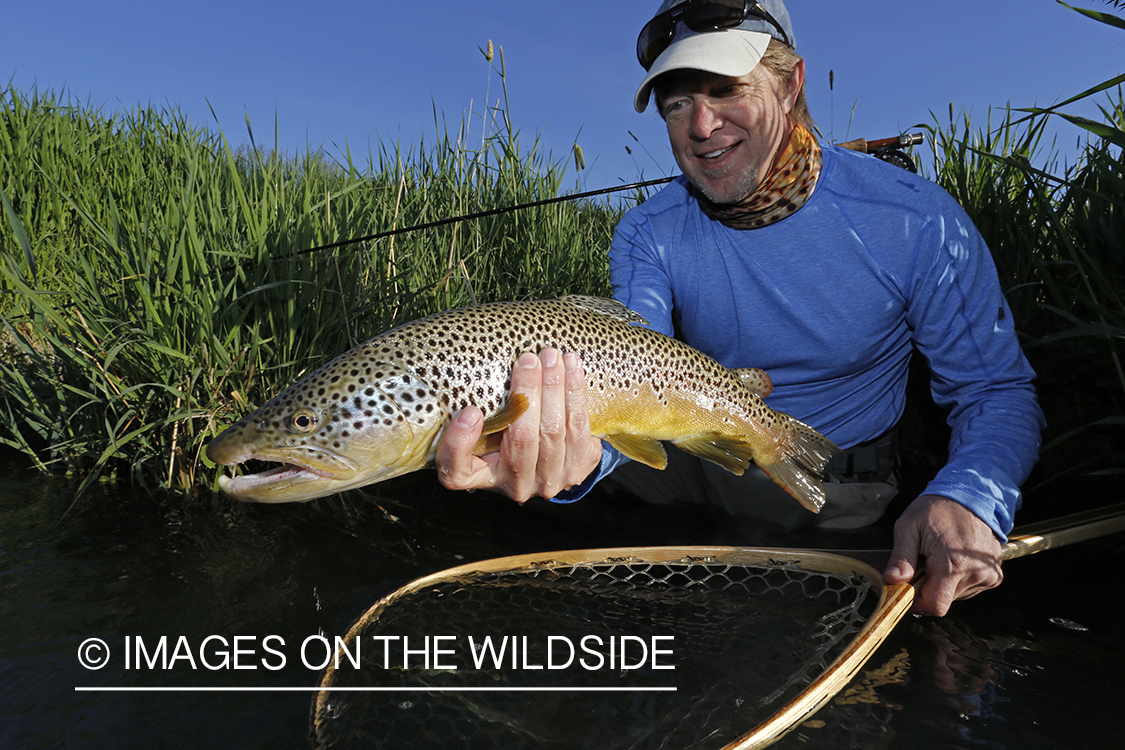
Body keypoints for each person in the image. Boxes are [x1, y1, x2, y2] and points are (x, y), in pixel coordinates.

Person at [434, 0, 1044, 617]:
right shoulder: (647, 232)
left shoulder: (914, 219)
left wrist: (968, 496)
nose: (701, 126)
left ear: (791, 84)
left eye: (727, 91)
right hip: (677, 452)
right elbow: (626, 369)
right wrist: (582, 462)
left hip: (825, 482)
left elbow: (996, 390)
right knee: (494, 467)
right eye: (677, 104)